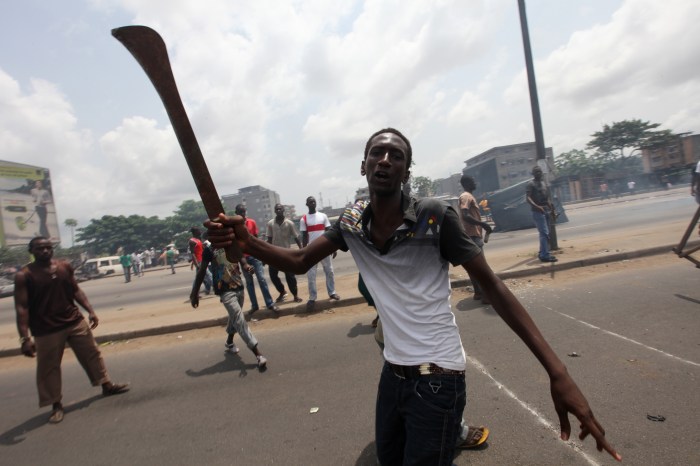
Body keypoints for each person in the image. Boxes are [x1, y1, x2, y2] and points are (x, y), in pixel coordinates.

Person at [205, 128, 620, 464]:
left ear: (406, 172)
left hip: (439, 380)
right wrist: (246, 242)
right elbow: (298, 261)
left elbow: (493, 286)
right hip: (394, 375)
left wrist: (558, 372)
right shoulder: (351, 222)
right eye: (377, 153)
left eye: (396, 156)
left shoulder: (435, 216)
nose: (385, 160)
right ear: (364, 165)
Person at [14, 237, 129, 424]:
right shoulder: (24, 275)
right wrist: (24, 338)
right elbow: (22, 308)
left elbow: (76, 290)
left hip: (74, 321)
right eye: (39, 248)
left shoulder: (63, 266)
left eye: (48, 248)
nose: (44, 251)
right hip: (46, 329)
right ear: (32, 251)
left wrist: (90, 311)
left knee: (92, 353)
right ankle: (55, 404)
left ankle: (106, 384)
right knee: (49, 367)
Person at [190, 242, 267, 369]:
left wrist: (246, 265)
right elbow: (202, 271)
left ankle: (229, 342)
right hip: (224, 291)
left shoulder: (231, 244)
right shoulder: (209, 250)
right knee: (239, 319)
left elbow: (241, 257)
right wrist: (194, 293)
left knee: (234, 317)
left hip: (238, 286)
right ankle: (258, 354)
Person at [234, 204, 279, 316]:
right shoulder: (234, 227)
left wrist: (261, 255)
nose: (243, 214)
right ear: (236, 213)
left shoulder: (251, 222)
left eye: (244, 212)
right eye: (240, 212)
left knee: (262, 279)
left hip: (254, 256)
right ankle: (254, 306)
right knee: (249, 283)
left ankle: (269, 303)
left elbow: (256, 239)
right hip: (243, 258)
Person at [299, 196, 340, 312]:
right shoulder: (304, 219)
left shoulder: (323, 216)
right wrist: (303, 251)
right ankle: (312, 298)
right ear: (307, 204)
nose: (312, 203)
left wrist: (333, 248)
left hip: (324, 249)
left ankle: (332, 293)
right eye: (310, 202)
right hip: (311, 250)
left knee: (329, 271)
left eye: (314, 201)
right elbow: (304, 236)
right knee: (311, 276)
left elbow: (329, 232)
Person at [459, 174, 493, 305]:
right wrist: (483, 224)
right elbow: (465, 215)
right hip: (472, 235)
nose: (476, 183)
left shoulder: (468, 196)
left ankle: (478, 292)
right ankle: (485, 295)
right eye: (473, 181)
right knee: (481, 267)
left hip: (472, 235)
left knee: (474, 266)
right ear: (467, 183)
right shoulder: (466, 196)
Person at [266, 203, 303, 304]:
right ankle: (282, 292)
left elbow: (296, 237)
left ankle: (295, 295)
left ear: (283, 210)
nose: (278, 210)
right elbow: (269, 240)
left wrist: (301, 250)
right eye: (277, 209)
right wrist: (265, 255)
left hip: (287, 254)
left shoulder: (289, 223)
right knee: (273, 275)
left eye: (280, 209)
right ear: (274, 211)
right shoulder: (270, 223)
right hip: (274, 254)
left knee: (290, 276)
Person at [526, 166, 558, 263]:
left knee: (545, 234)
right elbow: (528, 198)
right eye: (536, 172)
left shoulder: (543, 184)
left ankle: (542, 253)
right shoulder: (531, 184)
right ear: (533, 174)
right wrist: (537, 206)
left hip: (546, 210)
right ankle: (545, 255)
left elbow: (546, 198)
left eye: (540, 171)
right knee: (544, 233)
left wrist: (552, 210)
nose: (539, 173)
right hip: (537, 211)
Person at [189, 227, 213, 295]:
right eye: (198, 230)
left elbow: (200, 250)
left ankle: (194, 293)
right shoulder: (192, 241)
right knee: (209, 276)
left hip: (202, 260)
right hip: (199, 261)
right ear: (195, 232)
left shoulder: (198, 239)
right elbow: (193, 253)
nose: (200, 231)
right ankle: (218, 288)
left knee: (198, 278)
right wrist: (197, 264)